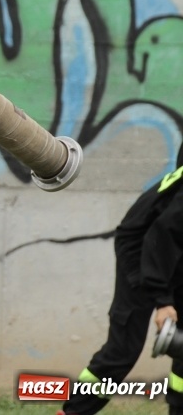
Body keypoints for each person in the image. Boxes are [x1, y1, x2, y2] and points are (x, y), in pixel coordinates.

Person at [59, 147, 183, 415]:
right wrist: (163, 301)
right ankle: (72, 413)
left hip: (173, 250)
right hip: (142, 247)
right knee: (123, 350)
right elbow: (160, 237)